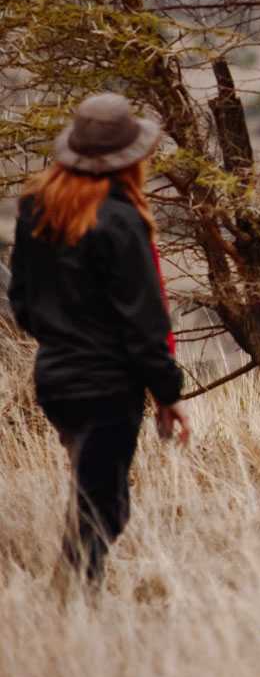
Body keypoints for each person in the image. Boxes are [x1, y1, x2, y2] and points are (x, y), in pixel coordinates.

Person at [6, 93, 188, 587]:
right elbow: (145, 323)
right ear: (128, 159)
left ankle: (75, 602)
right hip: (108, 387)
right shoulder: (122, 222)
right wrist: (168, 392)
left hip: (55, 379)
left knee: (92, 494)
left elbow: (20, 302)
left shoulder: (35, 210)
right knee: (104, 507)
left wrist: (63, 338)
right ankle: (71, 603)